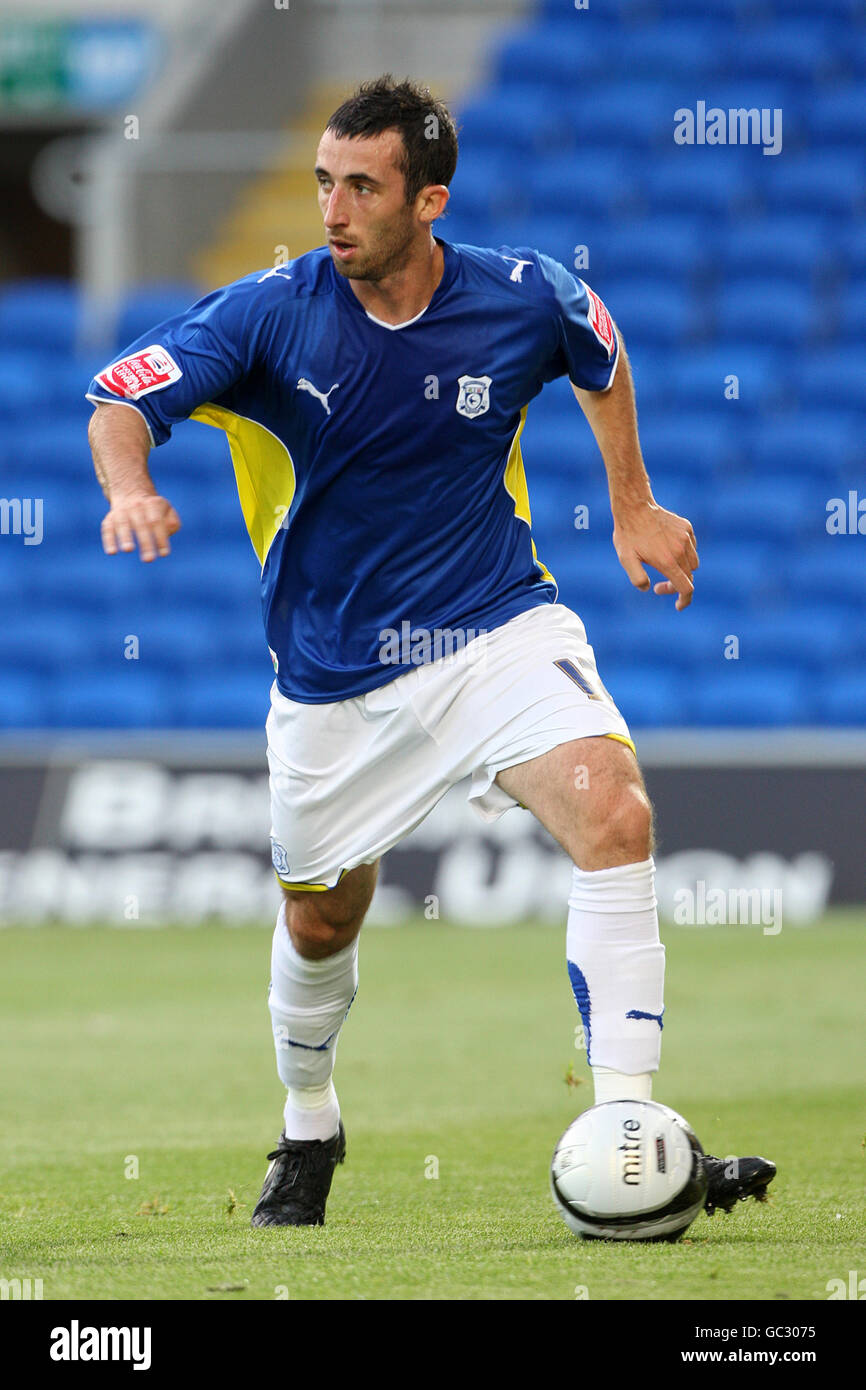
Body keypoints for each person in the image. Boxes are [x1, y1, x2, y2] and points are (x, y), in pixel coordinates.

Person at [86, 76, 775, 1230]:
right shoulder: (269, 314)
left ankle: (629, 1129)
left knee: (614, 811)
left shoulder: (516, 296)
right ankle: (308, 1122)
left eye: (361, 185)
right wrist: (130, 486)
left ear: (429, 198)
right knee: (320, 919)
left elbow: (594, 344)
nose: (333, 208)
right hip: (334, 680)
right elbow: (120, 396)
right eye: (322, 182)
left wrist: (633, 505)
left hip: (494, 626)